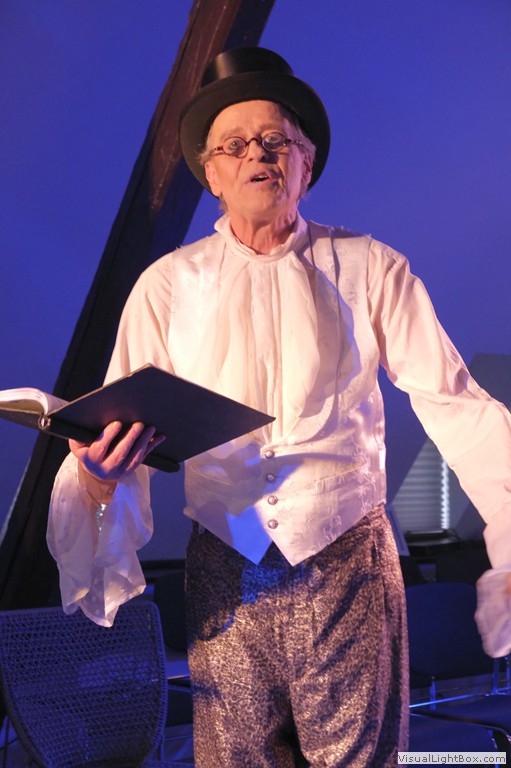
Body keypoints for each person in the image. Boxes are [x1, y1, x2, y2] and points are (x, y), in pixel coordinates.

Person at [47, 47, 511, 767]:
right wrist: (99, 478)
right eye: (234, 146)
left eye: (275, 141)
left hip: (348, 563)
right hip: (224, 568)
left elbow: (455, 402)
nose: (257, 155)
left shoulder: (369, 267)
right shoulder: (166, 286)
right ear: (211, 174)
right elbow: (119, 421)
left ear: (306, 163)